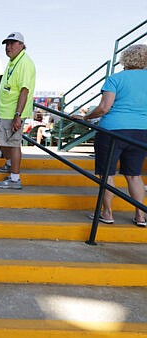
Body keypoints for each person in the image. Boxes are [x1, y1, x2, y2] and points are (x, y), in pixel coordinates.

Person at [72, 44, 147, 227]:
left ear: (125, 58)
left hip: (112, 131)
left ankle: (107, 213)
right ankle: (140, 215)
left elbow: (104, 107)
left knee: (106, 174)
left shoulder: (115, 78)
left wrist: (86, 117)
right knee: (134, 175)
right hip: (141, 132)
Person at [0, 32, 36, 190]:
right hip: (5, 111)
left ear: (22, 45)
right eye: (7, 44)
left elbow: (24, 90)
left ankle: (15, 178)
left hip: (13, 113)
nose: (8, 47)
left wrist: (17, 115)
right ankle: (11, 164)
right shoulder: (13, 61)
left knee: (14, 144)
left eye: (12, 43)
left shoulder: (24, 62)